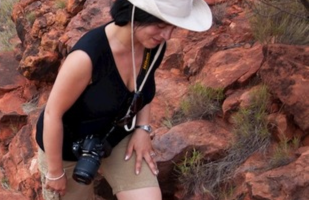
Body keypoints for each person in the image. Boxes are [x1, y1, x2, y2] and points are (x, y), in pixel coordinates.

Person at [35, 0, 212, 199]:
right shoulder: (87, 58)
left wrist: (142, 129)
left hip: (116, 136)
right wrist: (55, 171)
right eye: (160, 26)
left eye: (173, 27)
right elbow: (52, 114)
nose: (167, 36)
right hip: (67, 146)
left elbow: (143, 86)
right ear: (134, 14)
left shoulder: (152, 46)